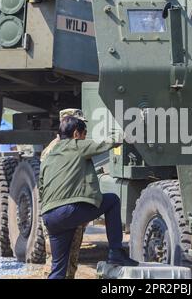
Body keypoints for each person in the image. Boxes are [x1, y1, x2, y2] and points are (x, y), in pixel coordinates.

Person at [39, 116, 138, 279]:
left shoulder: (48, 156)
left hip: (50, 217)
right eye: (85, 133)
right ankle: (115, 252)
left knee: (58, 269)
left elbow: (42, 188)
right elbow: (106, 143)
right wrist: (129, 131)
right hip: (68, 211)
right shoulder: (76, 145)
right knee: (112, 200)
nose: (85, 137)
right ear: (76, 133)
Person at [40, 108, 88, 279]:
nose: (82, 131)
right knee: (56, 261)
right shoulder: (54, 150)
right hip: (58, 211)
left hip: (72, 210)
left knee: (71, 261)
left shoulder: (76, 147)